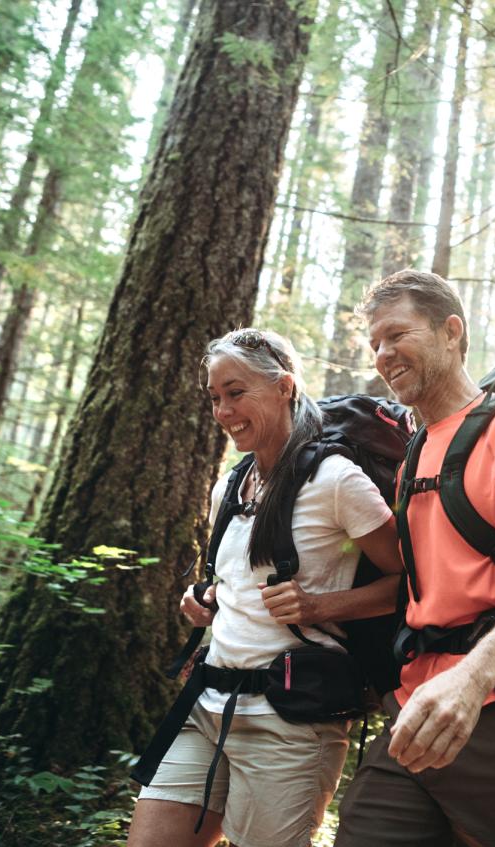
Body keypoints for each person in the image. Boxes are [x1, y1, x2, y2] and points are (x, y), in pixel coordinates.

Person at [335, 270, 495, 847]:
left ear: (452, 331)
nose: (383, 354)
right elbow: (414, 587)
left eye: (398, 334)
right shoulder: (413, 455)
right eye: (374, 343)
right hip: (415, 710)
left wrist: (472, 679)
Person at [129, 328, 403, 847]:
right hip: (206, 706)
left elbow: (410, 583)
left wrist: (321, 604)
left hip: (291, 723)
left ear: (284, 387)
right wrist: (208, 601)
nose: (223, 411)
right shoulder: (230, 485)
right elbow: (236, 581)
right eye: (214, 398)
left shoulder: (338, 480)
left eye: (236, 392)